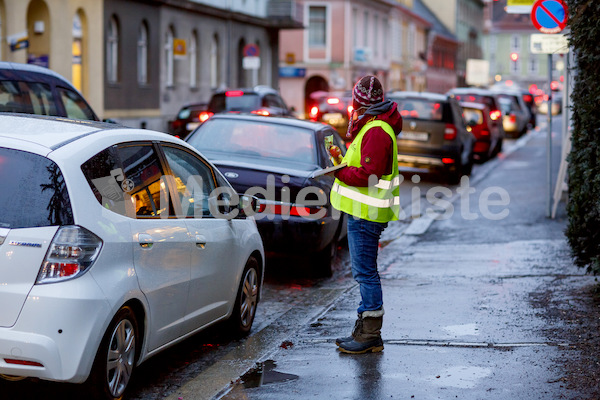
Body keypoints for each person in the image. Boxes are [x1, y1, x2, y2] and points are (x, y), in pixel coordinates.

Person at [330, 75, 402, 354]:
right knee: (365, 272)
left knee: (365, 273)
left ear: (359, 103)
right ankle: (367, 331)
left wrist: (339, 172)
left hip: (366, 214)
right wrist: (342, 161)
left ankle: (369, 334)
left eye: (354, 102)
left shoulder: (376, 130)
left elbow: (369, 175)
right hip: (365, 212)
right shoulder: (374, 126)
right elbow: (364, 165)